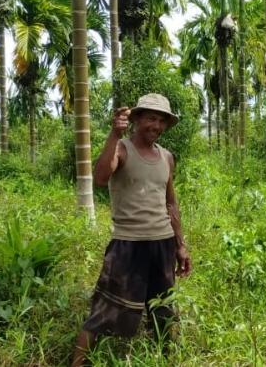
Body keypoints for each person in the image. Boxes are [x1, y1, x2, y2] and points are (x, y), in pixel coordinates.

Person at [72, 93, 192, 367]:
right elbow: (101, 178)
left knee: (162, 311)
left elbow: (170, 202)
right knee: (103, 311)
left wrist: (180, 245)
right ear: (136, 119)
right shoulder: (122, 149)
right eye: (151, 117)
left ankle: (163, 359)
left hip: (162, 244)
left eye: (162, 120)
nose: (157, 125)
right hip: (128, 245)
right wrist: (114, 133)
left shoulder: (167, 157)